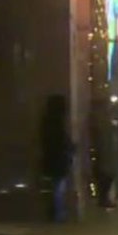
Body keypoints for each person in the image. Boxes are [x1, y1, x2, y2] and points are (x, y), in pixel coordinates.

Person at [40, 94, 74, 222]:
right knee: (58, 188)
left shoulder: (46, 122)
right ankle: (58, 213)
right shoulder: (58, 123)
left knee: (54, 188)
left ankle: (56, 212)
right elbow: (62, 141)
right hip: (58, 159)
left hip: (50, 158)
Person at [90, 97, 117, 209]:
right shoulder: (101, 120)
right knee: (106, 175)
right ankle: (102, 198)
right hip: (103, 151)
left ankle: (103, 197)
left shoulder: (102, 119)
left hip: (105, 150)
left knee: (106, 175)